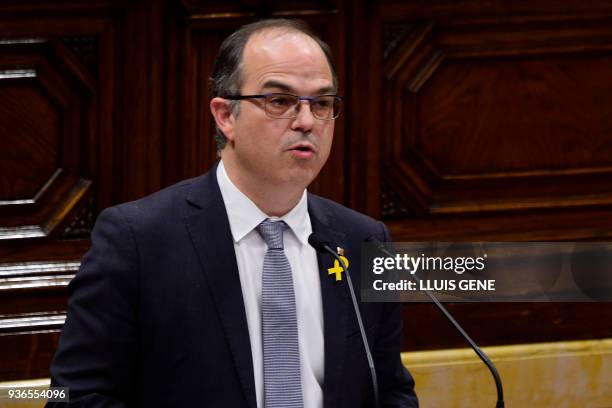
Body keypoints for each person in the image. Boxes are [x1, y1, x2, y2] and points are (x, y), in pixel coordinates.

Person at [48, 19, 418, 407]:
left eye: (322, 104)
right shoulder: (137, 240)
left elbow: (391, 391)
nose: (307, 121)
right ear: (225, 116)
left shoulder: (363, 240)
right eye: (280, 101)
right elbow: (72, 396)